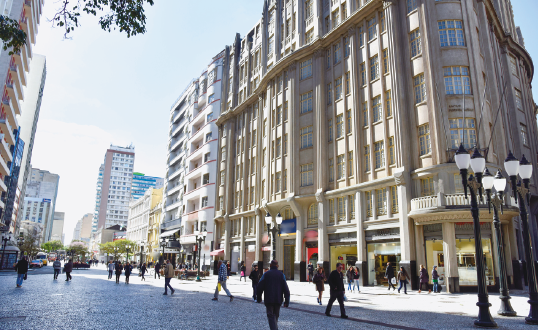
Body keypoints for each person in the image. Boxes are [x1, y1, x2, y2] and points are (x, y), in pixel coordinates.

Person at [257, 260, 290, 330]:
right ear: (277, 266)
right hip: (278, 299)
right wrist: (286, 301)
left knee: (271, 316)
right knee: (275, 316)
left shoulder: (266, 274)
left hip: (269, 299)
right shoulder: (281, 275)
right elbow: (286, 289)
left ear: (270, 266)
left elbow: (259, 287)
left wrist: (258, 297)